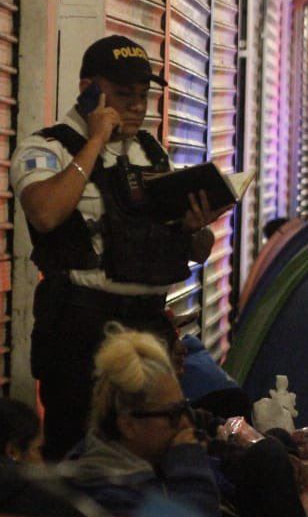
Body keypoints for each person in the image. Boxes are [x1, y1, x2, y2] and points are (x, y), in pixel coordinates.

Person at [14, 35, 229, 460]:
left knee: (153, 456)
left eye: (142, 96)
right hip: (81, 332)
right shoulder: (47, 148)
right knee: (77, 452)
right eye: (123, 94)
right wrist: (95, 140)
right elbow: (44, 214)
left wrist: (196, 226)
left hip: (148, 334)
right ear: (88, 89)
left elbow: (198, 251)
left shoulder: (152, 156)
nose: (136, 106)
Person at [56, 325, 221, 517]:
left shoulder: (135, 467)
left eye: (184, 409)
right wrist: (190, 467)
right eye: (173, 414)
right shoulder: (107, 497)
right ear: (128, 425)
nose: (185, 423)